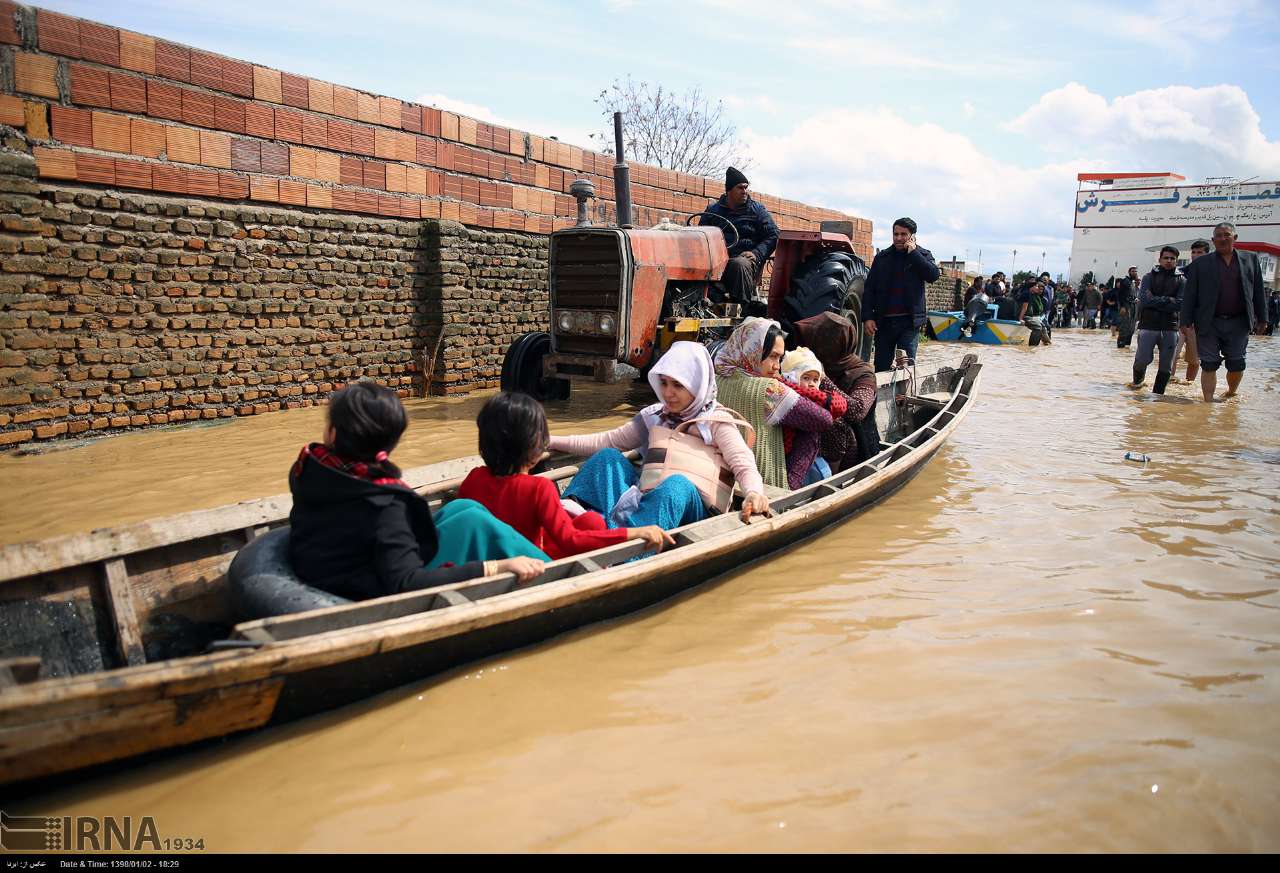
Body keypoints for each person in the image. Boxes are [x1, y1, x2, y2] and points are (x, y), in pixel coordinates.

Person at [287, 381, 546, 601]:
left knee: (463, 508)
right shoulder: (385, 506)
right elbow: (406, 582)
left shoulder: (309, 468)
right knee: (474, 522)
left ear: (332, 435)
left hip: (352, 565)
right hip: (370, 589)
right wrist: (496, 567)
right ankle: (551, 566)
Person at [550, 341, 771, 526]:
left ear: (697, 385)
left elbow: (743, 463)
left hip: (694, 508)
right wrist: (551, 440)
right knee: (607, 457)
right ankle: (574, 519)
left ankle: (628, 551)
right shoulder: (654, 416)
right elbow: (606, 440)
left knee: (677, 485)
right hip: (649, 497)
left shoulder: (716, 421)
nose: (668, 393)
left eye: (678, 385)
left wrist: (753, 493)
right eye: (664, 383)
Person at [457, 392, 672, 560]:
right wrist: (633, 534)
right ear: (535, 450)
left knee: (586, 518)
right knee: (592, 522)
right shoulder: (539, 488)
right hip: (532, 560)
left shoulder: (474, 478)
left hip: (494, 556)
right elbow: (571, 541)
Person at [714, 317, 836, 489]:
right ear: (753, 351)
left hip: (719, 479)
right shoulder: (769, 389)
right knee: (811, 431)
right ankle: (789, 490)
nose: (777, 367)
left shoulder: (716, 379)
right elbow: (824, 419)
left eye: (780, 359)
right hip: (763, 485)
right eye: (773, 357)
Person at [1180, 222, 1269, 402]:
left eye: (1226, 234)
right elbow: (1190, 294)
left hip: (1239, 322)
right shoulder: (1201, 264)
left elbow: (1258, 291)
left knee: (1237, 364)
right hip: (1208, 322)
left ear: (1235, 237)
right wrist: (1185, 321)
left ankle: (1230, 392)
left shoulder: (1250, 259)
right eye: (1218, 236)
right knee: (1209, 364)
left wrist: (1263, 319)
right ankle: (1208, 403)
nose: (1222, 238)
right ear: (1213, 240)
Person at [792, 311, 880, 471]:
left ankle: (833, 479)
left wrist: (824, 379)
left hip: (857, 448)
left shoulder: (863, 374)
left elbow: (857, 411)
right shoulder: (814, 364)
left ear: (830, 346)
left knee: (831, 421)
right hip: (814, 442)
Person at [861, 217, 941, 371]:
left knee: (906, 367)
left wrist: (914, 254)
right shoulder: (882, 258)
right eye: (895, 234)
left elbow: (933, 276)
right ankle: (882, 395)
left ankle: (903, 396)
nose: (898, 238)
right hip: (884, 322)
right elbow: (869, 289)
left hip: (909, 323)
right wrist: (868, 317)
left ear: (912, 236)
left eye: (903, 234)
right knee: (881, 366)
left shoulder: (922, 256)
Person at [703, 167, 779, 309]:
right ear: (729, 190)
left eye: (746, 187)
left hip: (744, 260)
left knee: (739, 264)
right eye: (740, 188)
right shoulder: (713, 211)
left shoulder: (756, 210)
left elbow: (774, 235)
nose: (745, 191)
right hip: (716, 260)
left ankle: (743, 309)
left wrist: (756, 253)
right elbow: (701, 233)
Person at [780, 347, 843, 485]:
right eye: (806, 378)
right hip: (785, 456)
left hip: (807, 458)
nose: (812, 384)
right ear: (791, 377)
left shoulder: (818, 400)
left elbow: (839, 406)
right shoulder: (787, 397)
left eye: (815, 379)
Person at [1129, 246, 1184, 394]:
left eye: (1172, 258)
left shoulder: (1182, 280)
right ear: (1160, 259)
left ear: (1177, 261)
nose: (1169, 261)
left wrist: (1156, 300)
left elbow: (1180, 304)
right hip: (1148, 325)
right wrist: (1168, 301)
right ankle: (1137, 385)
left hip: (1170, 327)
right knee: (1142, 359)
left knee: (1166, 365)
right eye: (1166, 258)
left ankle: (1158, 396)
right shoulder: (1148, 277)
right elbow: (1145, 301)